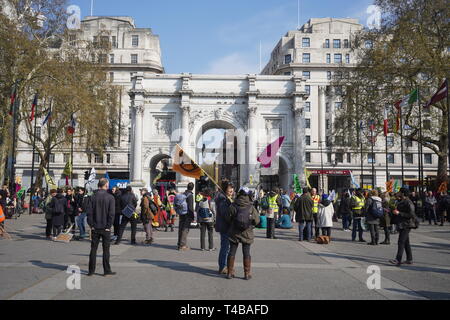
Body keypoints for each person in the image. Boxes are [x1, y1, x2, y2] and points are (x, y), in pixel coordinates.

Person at [225, 186, 260, 280]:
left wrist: (233, 223)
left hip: (234, 232)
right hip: (247, 232)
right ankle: (247, 274)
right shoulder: (251, 207)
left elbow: (227, 218)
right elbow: (257, 221)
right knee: (246, 253)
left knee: (232, 252)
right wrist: (251, 225)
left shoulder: (233, 205)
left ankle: (229, 272)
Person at [87, 178, 116, 276]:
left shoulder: (92, 197)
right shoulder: (110, 197)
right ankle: (106, 270)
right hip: (105, 227)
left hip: (95, 226)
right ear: (106, 185)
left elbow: (89, 213)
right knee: (106, 250)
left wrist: (91, 225)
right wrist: (109, 226)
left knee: (93, 249)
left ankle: (91, 270)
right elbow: (111, 214)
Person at [389, 188, 417, 266]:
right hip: (402, 224)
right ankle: (409, 259)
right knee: (406, 242)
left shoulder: (408, 202)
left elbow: (411, 215)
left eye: (400, 192)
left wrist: (399, 213)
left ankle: (398, 259)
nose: (398, 193)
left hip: (407, 224)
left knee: (401, 241)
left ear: (403, 193)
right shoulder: (401, 201)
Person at [215, 179, 234, 274]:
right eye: (230, 188)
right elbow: (225, 214)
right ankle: (222, 266)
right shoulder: (223, 199)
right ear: (225, 188)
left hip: (225, 226)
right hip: (225, 226)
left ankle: (224, 265)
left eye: (232, 188)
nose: (232, 190)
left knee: (227, 247)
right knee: (225, 247)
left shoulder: (225, 197)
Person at [176, 182, 195, 251]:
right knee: (185, 229)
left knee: (181, 228)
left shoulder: (183, 194)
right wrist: (192, 216)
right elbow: (190, 207)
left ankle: (179, 243)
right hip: (187, 214)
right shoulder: (190, 195)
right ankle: (182, 245)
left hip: (182, 213)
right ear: (192, 188)